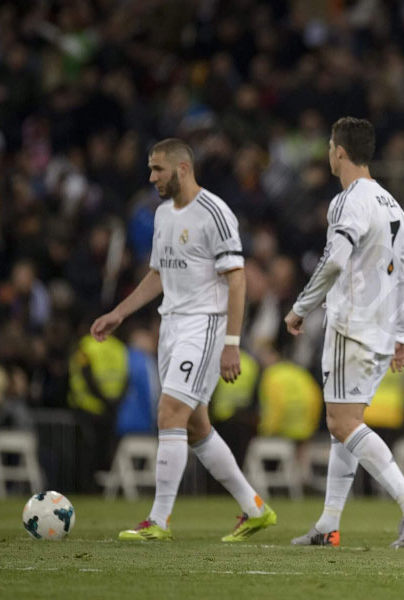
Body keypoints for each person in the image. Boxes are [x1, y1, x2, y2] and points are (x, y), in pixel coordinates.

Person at [90, 138, 276, 541]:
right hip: (171, 326)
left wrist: (231, 341)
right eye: (150, 168)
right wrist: (120, 313)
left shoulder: (215, 212)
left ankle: (158, 520)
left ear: (183, 169)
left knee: (169, 413)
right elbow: (157, 274)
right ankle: (254, 508)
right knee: (194, 427)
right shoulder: (161, 215)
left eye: (158, 169)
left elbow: (238, 280)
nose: (152, 176)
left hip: (205, 324)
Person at [285, 117, 404, 549]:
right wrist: (403, 334)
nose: (328, 152)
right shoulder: (391, 203)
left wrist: (300, 307)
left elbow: (334, 261)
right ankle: (328, 525)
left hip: (351, 325)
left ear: (339, 151)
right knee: (344, 426)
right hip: (381, 331)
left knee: (342, 422)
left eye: (329, 145)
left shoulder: (348, 202)